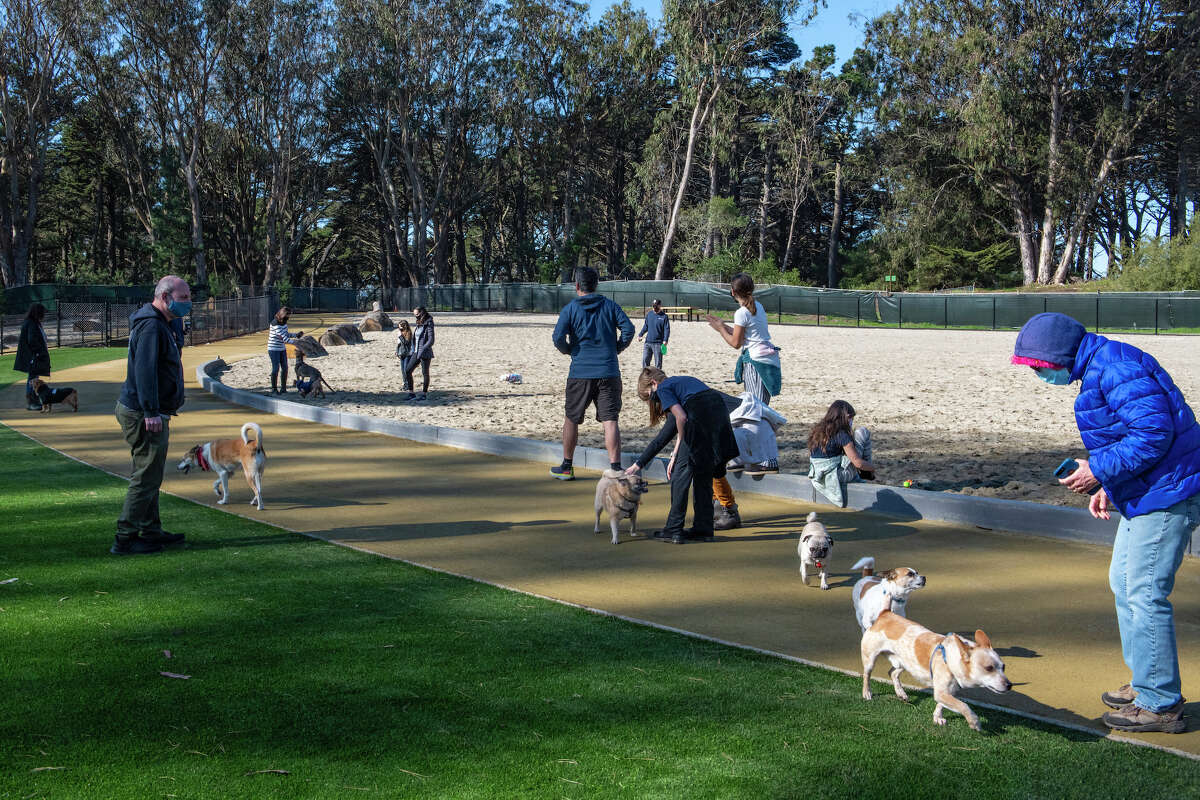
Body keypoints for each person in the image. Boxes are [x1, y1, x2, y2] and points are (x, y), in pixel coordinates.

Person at [1013, 312, 1200, 734]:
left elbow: (1153, 434)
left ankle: (1160, 704)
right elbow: (1132, 438)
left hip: (1168, 493)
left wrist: (1098, 469)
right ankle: (1147, 683)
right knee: (1125, 583)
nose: (1038, 375)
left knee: (1144, 592)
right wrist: (1109, 484)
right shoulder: (1101, 365)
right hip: (1149, 490)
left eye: (1038, 367)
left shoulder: (1116, 367)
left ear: (1056, 356)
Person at [113, 275, 191, 555]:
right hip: (142, 412)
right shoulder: (151, 327)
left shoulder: (166, 324)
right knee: (146, 476)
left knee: (151, 473)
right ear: (165, 297)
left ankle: (150, 530)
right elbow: (144, 372)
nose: (188, 303)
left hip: (150, 410)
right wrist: (151, 411)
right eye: (183, 298)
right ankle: (126, 537)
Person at [624, 367, 739, 544]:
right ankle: (704, 529)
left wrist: (677, 455)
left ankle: (673, 529)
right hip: (718, 416)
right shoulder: (682, 384)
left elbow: (682, 418)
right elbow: (667, 434)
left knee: (680, 476)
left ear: (653, 383)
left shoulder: (663, 388)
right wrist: (639, 464)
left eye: (649, 396)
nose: (653, 401)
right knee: (703, 475)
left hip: (699, 420)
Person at [550, 266, 634, 480]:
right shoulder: (610, 306)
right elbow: (629, 329)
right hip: (608, 370)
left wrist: (570, 351)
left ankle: (567, 467)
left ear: (577, 286)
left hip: (580, 371)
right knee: (610, 420)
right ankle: (615, 469)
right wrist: (617, 347)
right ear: (596, 285)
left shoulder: (570, 309)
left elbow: (558, 337)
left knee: (571, 418)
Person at [705, 272, 781, 472]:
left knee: (754, 413)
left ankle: (765, 460)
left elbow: (736, 343)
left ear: (732, 291)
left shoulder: (741, 312)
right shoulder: (757, 307)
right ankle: (747, 457)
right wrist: (723, 326)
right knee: (756, 410)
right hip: (767, 360)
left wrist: (721, 329)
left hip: (756, 363)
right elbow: (746, 336)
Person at [806, 400, 876, 508]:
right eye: (851, 418)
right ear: (846, 417)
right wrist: (872, 467)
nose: (852, 421)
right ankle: (867, 473)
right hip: (835, 476)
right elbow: (857, 463)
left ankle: (865, 472)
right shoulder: (841, 434)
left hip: (817, 474)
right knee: (862, 432)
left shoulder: (818, 430)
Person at [14, 303, 50, 411]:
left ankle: (34, 400)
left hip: (33, 356)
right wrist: (38, 353)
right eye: (42, 313)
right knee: (33, 379)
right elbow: (32, 340)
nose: (44, 315)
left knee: (34, 378)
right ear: (38, 313)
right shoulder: (31, 324)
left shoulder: (33, 322)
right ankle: (31, 402)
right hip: (32, 357)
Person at [266, 307, 303, 394]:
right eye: (288, 315)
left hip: (282, 349)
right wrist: (295, 342)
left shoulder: (284, 323)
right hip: (273, 349)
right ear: (283, 314)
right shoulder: (275, 323)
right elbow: (283, 338)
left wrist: (296, 335)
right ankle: (274, 389)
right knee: (276, 368)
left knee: (285, 368)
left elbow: (286, 334)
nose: (288, 317)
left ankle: (283, 388)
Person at [403, 307, 434, 401]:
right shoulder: (418, 324)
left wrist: (424, 349)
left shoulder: (429, 323)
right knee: (408, 370)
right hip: (416, 352)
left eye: (417, 314)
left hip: (425, 353)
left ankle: (424, 394)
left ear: (422, 313)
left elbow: (431, 340)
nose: (415, 316)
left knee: (425, 373)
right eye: (414, 315)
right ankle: (411, 393)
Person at [637, 299, 671, 368]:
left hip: (658, 344)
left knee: (658, 364)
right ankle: (646, 378)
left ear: (660, 306)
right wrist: (640, 334)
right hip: (647, 342)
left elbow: (666, 329)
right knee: (645, 361)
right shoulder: (649, 314)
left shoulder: (664, 317)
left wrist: (665, 340)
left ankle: (658, 378)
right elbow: (646, 326)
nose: (654, 308)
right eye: (653, 306)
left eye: (656, 306)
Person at [396, 319, 415, 393]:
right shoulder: (400, 333)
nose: (399, 328)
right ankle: (405, 384)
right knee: (402, 371)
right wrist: (397, 351)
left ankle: (407, 384)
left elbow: (406, 343)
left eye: (400, 327)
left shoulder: (408, 333)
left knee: (405, 370)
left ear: (405, 326)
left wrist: (400, 336)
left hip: (407, 354)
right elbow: (399, 344)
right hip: (401, 353)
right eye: (399, 327)